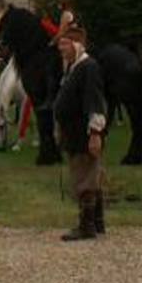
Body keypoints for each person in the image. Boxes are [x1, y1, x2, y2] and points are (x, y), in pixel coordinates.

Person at [53, 27, 108, 241]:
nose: (61, 49)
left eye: (65, 44)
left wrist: (95, 133)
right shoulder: (73, 67)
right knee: (88, 174)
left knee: (84, 176)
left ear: (77, 45)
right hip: (73, 131)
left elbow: (95, 101)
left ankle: (87, 225)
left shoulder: (88, 67)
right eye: (60, 45)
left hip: (83, 132)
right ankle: (98, 221)